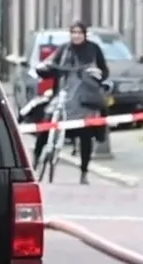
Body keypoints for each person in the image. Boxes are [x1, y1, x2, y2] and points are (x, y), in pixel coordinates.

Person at [31, 23, 108, 184]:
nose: (76, 36)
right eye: (73, 33)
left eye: (80, 33)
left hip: (84, 97)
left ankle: (84, 172)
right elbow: (49, 64)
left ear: (85, 34)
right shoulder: (64, 49)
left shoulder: (94, 49)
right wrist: (45, 68)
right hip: (63, 94)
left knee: (86, 133)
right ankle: (35, 161)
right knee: (46, 125)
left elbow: (104, 71)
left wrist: (97, 75)